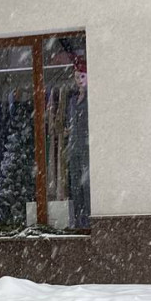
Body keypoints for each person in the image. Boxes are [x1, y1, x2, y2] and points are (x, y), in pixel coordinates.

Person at [66, 56, 92, 229]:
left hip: (87, 146)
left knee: (87, 184)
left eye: (82, 76)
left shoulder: (92, 100)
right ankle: (78, 221)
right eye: (77, 77)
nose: (79, 81)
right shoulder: (72, 101)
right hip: (74, 147)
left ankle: (89, 221)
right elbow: (70, 123)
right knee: (75, 185)